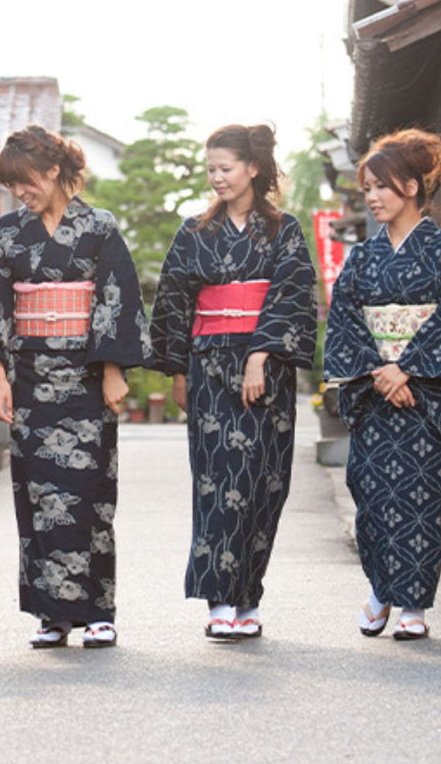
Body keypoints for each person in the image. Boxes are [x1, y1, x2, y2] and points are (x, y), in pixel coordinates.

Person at [0, 125, 149, 649]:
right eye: (12, 185)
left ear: (54, 170)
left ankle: (98, 610)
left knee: (91, 496)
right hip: (28, 379)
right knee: (37, 495)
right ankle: (52, 614)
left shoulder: (99, 228)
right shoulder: (7, 234)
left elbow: (117, 297)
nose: (21, 193)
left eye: (27, 181)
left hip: (87, 379)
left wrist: (114, 368)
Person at [149, 124, 316, 641]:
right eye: (211, 171)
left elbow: (293, 294)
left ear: (252, 169)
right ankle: (219, 598)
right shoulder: (194, 232)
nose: (217, 179)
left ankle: (248, 595)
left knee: (266, 481)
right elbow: (173, 300)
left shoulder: (283, 229)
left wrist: (260, 355)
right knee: (219, 480)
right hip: (210, 368)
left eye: (225, 169)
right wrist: (178, 369)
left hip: (268, 370)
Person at [323, 129, 441, 642]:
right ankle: (379, 588)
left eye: (382, 187)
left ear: (412, 186)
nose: (372, 197)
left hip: (424, 397)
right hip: (376, 395)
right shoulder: (364, 257)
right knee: (370, 493)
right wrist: (379, 371)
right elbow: (344, 317)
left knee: (422, 498)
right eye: (367, 186)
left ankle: (413, 604)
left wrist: (409, 368)